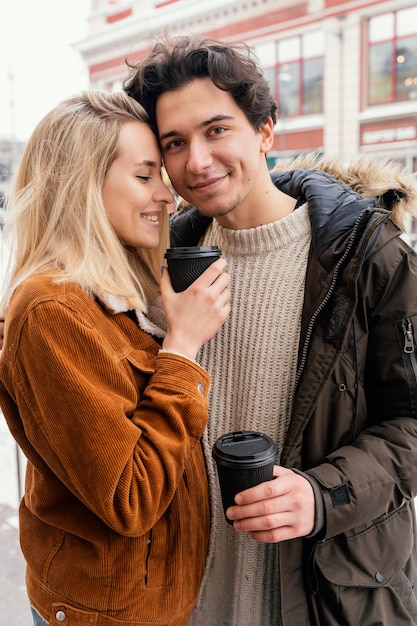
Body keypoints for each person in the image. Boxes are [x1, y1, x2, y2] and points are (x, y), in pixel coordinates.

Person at [124, 35, 417, 625]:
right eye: (174, 143)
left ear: (265, 130)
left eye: (216, 130)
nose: (196, 162)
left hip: (320, 595)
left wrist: (321, 495)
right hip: (180, 597)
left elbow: (409, 422)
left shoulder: (367, 254)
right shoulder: (158, 258)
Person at [0, 90, 231, 626]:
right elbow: (132, 496)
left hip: (152, 601)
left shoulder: (119, 293)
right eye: (145, 176)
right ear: (81, 185)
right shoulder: (52, 309)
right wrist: (183, 347)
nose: (168, 198)